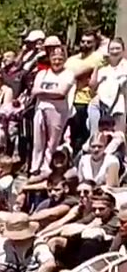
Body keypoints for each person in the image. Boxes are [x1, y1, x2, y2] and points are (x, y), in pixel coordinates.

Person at [31, 46, 76, 178]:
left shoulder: (68, 74)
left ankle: (47, 167)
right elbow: (34, 92)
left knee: (53, 142)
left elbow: (62, 92)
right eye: (54, 58)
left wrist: (43, 93)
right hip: (40, 109)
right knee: (38, 140)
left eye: (60, 59)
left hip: (58, 111)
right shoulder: (42, 74)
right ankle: (35, 168)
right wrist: (51, 94)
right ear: (50, 59)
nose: (57, 62)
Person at [67, 32, 106, 156]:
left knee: (84, 135)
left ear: (95, 43)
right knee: (73, 134)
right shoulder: (72, 59)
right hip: (71, 99)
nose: (85, 44)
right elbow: (66, 75)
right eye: (83, 41)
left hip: (87, 100)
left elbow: (76, 74)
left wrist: (75, 75)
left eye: (89, 42)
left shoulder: (98, 57)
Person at [89, 37, 127, 144]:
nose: (114, 51)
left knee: (118, 138)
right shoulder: (103, 69)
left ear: (123, 50)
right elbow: (92, 86)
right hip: (100, 106)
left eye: (117, 48)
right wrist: (96, 67)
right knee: (96, 137)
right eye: (112, 49)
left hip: (119, 108)